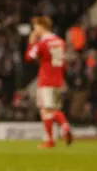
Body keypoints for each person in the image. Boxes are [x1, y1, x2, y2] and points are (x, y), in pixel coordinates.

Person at [25, 16, 73, 148]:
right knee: (50, 109)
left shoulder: (43, 43)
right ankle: (51, 139)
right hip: (58, 79)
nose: (34, 30)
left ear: (41, 27)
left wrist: (31, 42)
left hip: (46, 80)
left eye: (35, 27)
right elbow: (63, 64)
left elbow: (29, 57)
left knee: (47, 111)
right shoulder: (60, 42)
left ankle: (63, 128)